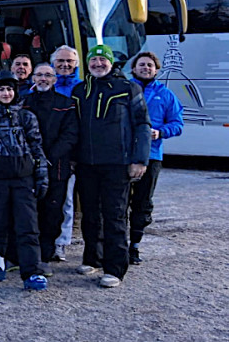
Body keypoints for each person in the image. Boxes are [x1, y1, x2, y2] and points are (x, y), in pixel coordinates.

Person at [71, 44, 151, 288]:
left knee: (115, 215)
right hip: (86, 163)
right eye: (93, 60)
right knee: (90, 214)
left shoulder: (127, 88)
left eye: (102, 60)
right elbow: (73, 127)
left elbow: (142, 125)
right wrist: (73, 156)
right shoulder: (79, 90)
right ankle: (92, 257)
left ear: (111, 63)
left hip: (117, 163)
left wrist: (140, 159)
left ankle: (115, 268)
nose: (98, 64)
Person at [0, 70, 49, 291]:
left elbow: (37, 148)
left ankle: (31, 271)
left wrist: (41, 177)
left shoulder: (26, 117)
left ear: (15, 91)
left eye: (9, 89)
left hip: (23, 179)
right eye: (2, 89)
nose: (6, 93)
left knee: (28, 225)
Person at [128, 51, 183, 265]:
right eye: (142, 65)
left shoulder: (166, 94)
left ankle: (134, 245)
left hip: (151, 155)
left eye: (150, 65)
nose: (146, 68)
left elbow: (178, 124)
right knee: (118, 202)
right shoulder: (126, 90)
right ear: (133, 68)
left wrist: (160, 132)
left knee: (142, 202)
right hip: (124, 154)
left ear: (156, 70)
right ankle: (116, 244)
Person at [22, 63, 78, 264]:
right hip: (27, 167)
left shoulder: (66, 103)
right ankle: (30, 254)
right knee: (30, 211)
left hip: (57, 167)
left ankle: (47, 253)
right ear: (33, 79)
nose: (43, 79)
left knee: (53, 212)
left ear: (55, 79)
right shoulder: (24, 103)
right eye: (39, 75)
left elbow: (71, 135)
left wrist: (49, 155)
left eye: (48, 75)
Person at [51, 44, 83, 261]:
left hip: (72, 154)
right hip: (47, 153)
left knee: (67, 201)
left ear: (76, 65)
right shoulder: (43, 85)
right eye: (60, 61)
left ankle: (61, 242)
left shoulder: (82, 88)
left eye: (69, 62)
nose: (64, 65)